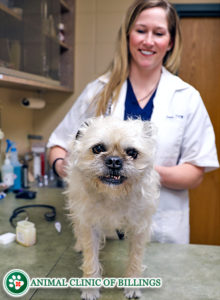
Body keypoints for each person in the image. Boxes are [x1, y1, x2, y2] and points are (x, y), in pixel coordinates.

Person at [47, 0, 219, 244]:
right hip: (102, 230)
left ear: (170, 42)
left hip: (162, 233)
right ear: (127, 35)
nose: (148, 41)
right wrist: (67, 166)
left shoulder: (186, 97)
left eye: (158, 33)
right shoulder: (98, 90)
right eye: (141, 30)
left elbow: (195, 173)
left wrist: (136, 170)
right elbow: (57, 145)